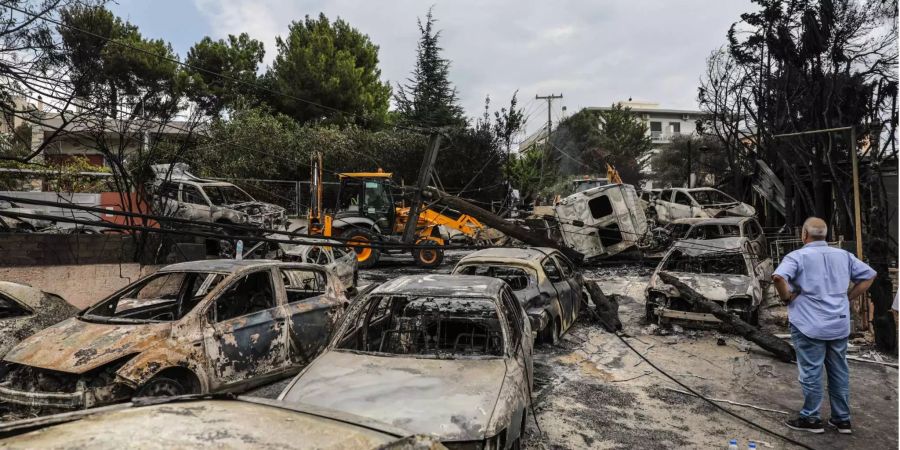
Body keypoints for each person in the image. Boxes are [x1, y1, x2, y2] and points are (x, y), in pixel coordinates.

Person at [772, 217, 876, 435]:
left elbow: (779, 277)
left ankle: (811, 418)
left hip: (808, 324)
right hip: (838, 324)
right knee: (839, 371)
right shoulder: (843, 255)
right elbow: (869, 275)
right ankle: (842, 420)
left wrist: (787, 298)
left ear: (804, 234)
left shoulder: (797, 256)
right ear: (825, 235)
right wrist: (848, 297)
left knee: (811, 371)